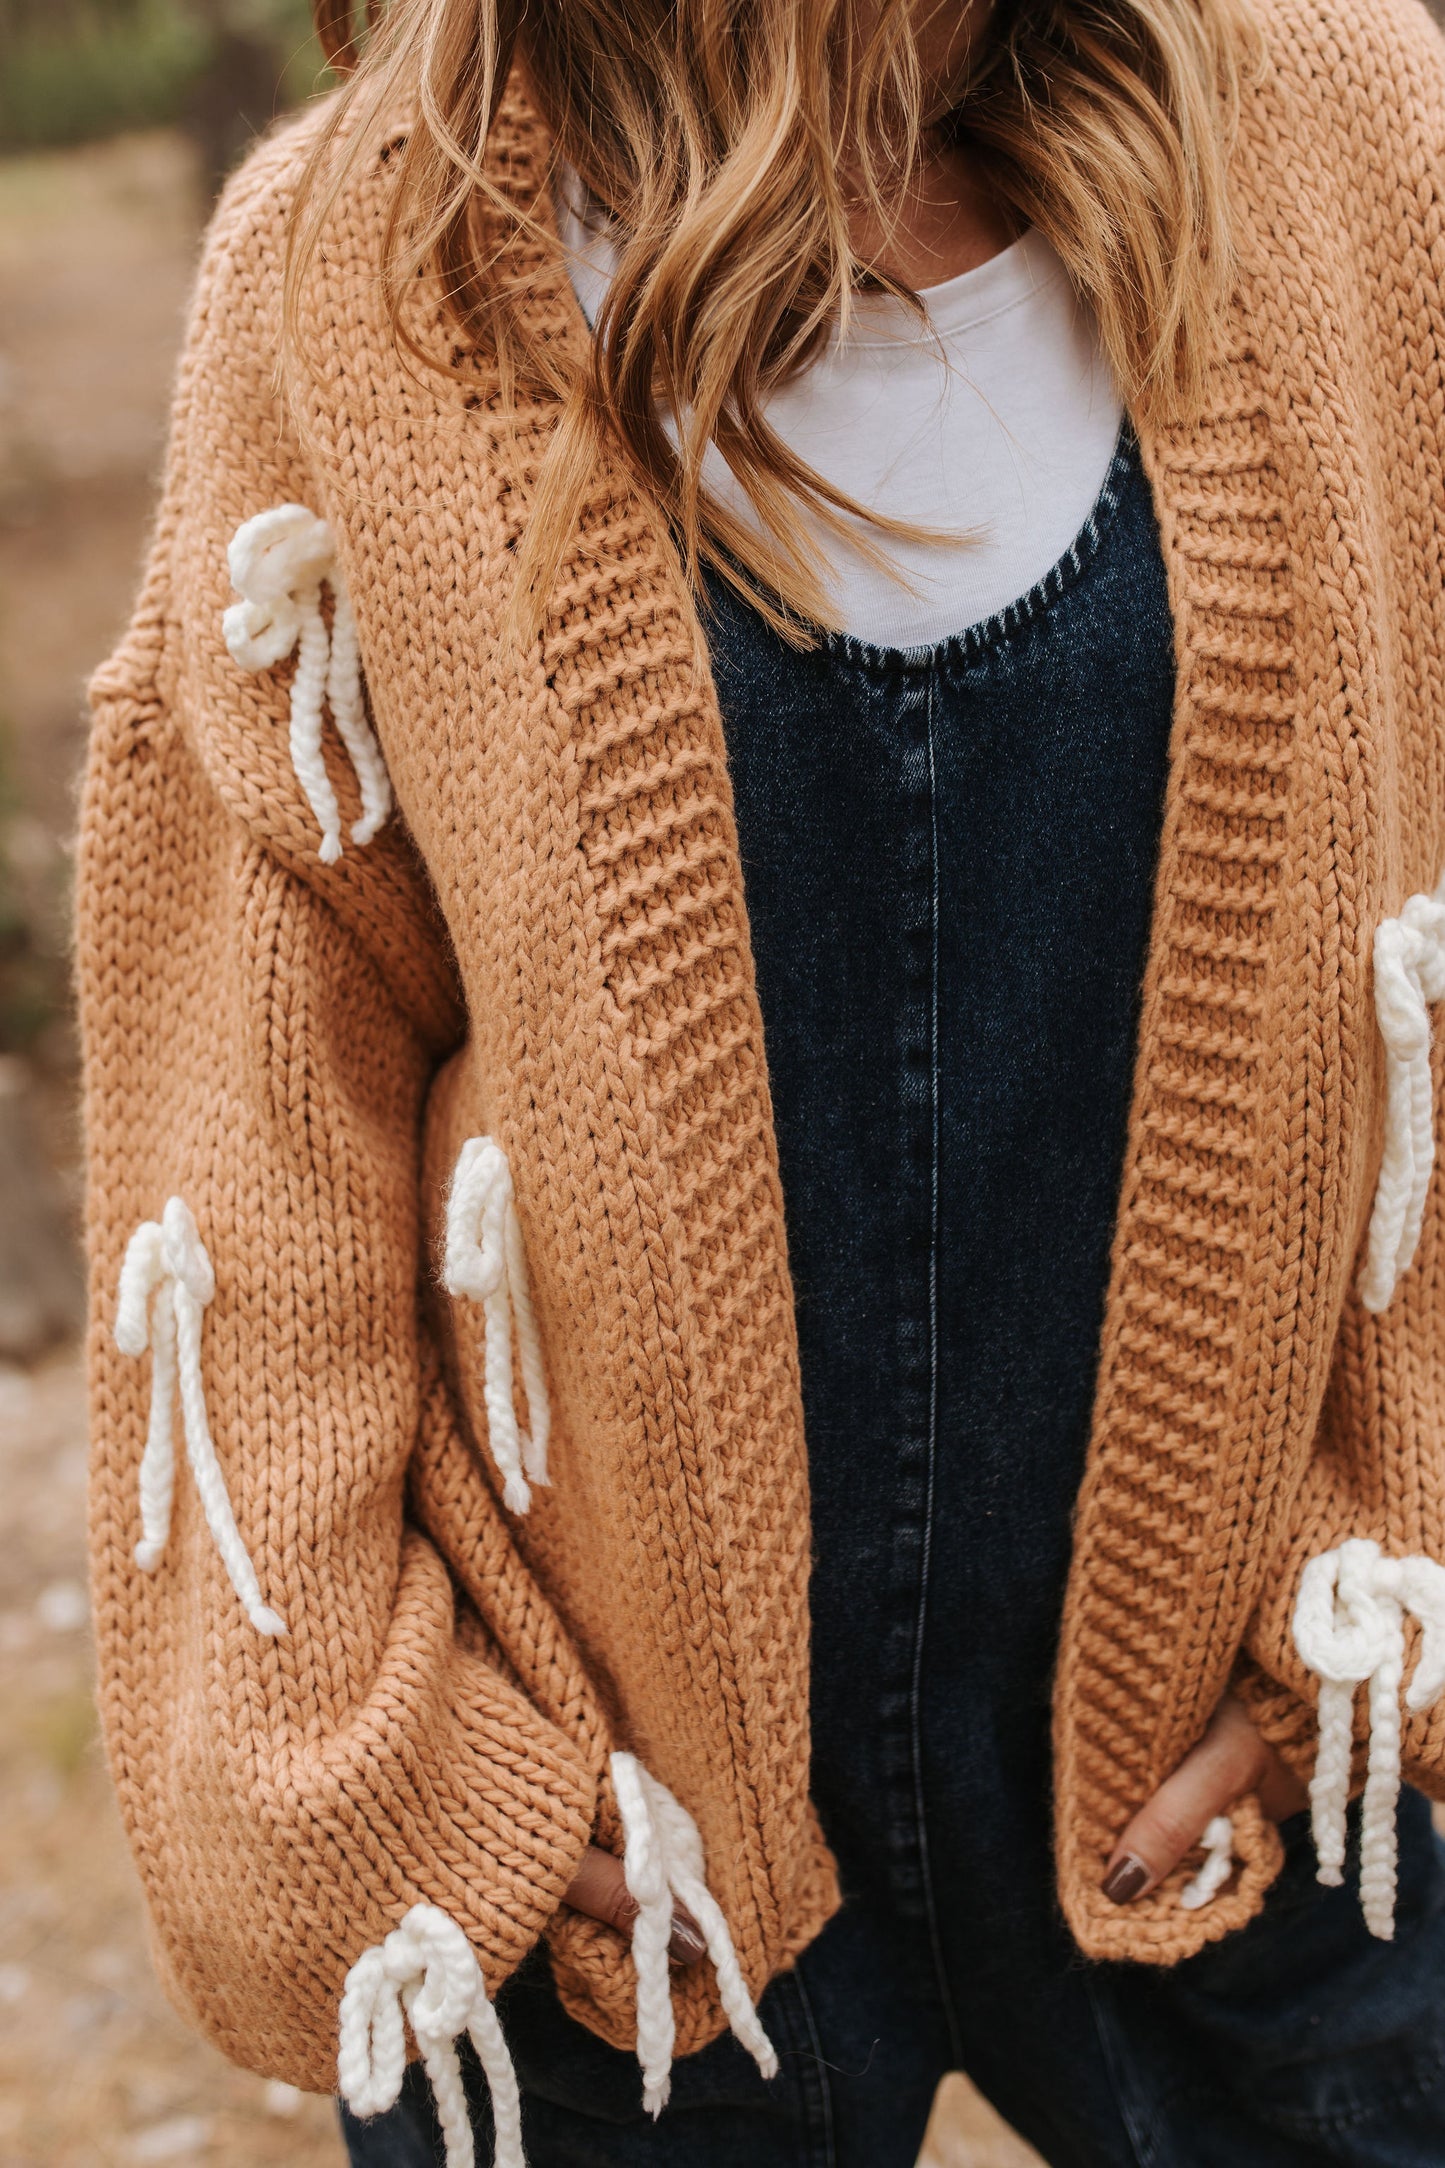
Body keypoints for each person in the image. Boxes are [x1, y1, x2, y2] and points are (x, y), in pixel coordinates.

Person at [74, 0, 1445, 2156]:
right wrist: (380, 1763)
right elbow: (253, 1098)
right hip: (631, 1836)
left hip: (1277, 1747)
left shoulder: (1359, 134)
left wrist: (1403, 1560)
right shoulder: (357, 263)